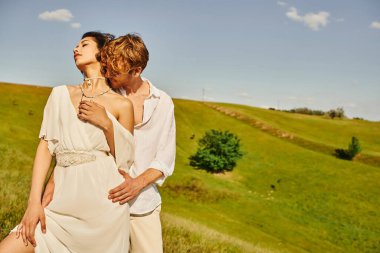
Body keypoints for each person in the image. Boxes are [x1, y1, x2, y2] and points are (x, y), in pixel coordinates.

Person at [0, 31, 135, 253]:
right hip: (60, 203)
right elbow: (46, 148)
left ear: (103, 53)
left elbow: (125, 161)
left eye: (84, 44)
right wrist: (34, 202)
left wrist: (107, 124)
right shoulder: (60, 95)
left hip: (104, 206)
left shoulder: (122, 105)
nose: (76, 49)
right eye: (76, 45)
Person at [43, 33, 176, 253]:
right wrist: (52, 184)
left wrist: (135, 184)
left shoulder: (162, 103)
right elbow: (75, 147)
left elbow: (164, 161)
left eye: (116, 72)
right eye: (108, 68)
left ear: (136, 71)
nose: (109, 74)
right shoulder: (105, 94)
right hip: (102, 201)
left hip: (141, 204)